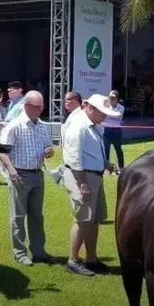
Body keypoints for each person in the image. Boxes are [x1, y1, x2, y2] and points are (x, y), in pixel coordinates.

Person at [61, 94, 119, 277]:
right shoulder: (78, 125)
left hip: (93, 176)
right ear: (90, 108)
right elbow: (74, 158)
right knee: (83, 219)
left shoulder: (92, 125)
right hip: (82, 177)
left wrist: (106, 164)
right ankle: (73, 260)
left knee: (93, 219)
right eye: (103, 112)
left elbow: (91, 153)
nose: (105, 116)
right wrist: (83, 184)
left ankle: (91, 258)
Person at [0, 91, 54, 267]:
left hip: (38, 174)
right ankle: (20, 253)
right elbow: (2, 152)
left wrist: (50, 151)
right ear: (27, 106)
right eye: (38, 106)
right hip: (20, 175)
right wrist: (11, 170)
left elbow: (49, 147)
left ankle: (38, 251)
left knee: (37, 216)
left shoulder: (41, 126)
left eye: (42, 106)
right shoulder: (14, 126)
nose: (41, 109)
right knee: (18, 216)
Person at [103, 90, 125, 170]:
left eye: (113, 98)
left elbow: (118, 116)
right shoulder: (105, 106)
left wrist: (108, 114)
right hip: (106, 130)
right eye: (110, 98)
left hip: (116, 131)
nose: (111, 100)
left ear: (117, 98)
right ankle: (107, 167)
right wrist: (112, 115)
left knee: (118, 149)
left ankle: (121, 167)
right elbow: (113, 116)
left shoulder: (121, 107)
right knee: (106, 149)